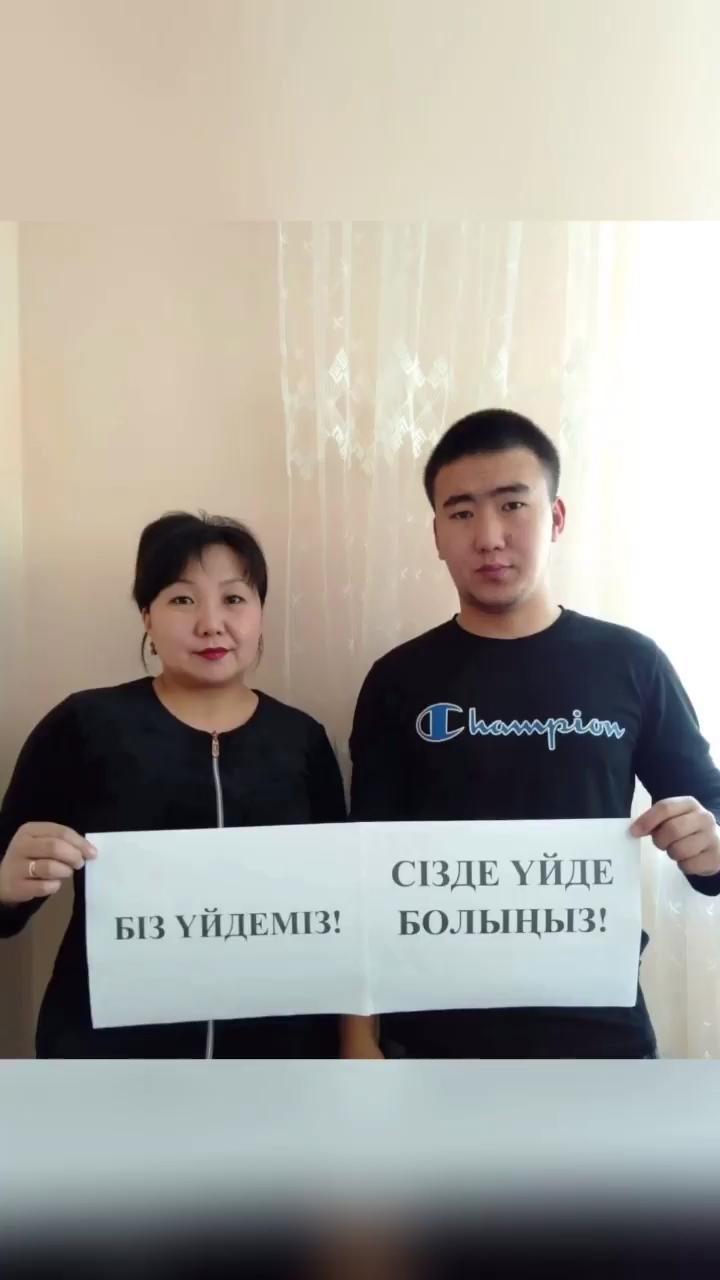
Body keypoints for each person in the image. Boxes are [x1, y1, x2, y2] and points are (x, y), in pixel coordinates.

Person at [343, 409, 720, 1059]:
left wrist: (708, 843)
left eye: (513, 504)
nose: (489, 537)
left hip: (599, 1029)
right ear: (437, 534)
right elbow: (364, 866)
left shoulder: (631, 663)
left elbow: (706, 806)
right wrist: (358, 1033)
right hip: (436, 1032)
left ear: (557, 517)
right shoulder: (397, 680)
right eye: (462, 513)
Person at [0, 511, 346, 1058]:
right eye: (183, 599)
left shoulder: (301, 739)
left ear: (260, 613)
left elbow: (340, 907)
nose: (211, 623)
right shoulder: (83, 725)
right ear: (147, 615)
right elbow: (7, 908)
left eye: (234, 599)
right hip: (107, 1052)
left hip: (277, 1056)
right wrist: (5, 885)